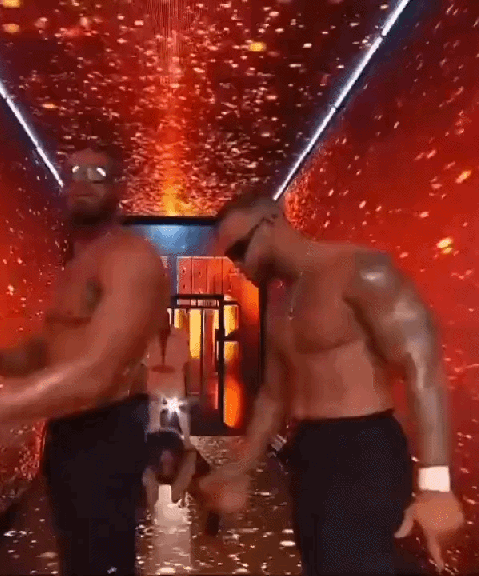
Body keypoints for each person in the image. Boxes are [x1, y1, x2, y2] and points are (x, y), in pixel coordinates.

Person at [0, 146, 170, 576]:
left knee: (101, 564)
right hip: (68, 431)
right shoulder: (76, 267)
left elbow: (99, 371)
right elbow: (50, 348)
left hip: (107, 430)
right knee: (78, 559)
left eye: (97, 173)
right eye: (74, 172)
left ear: (118, 188)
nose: (83, 181)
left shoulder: (129, 258)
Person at [199, 193, 465, 575]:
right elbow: (273, 397)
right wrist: (239, 467)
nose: (238, 265)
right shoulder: (280, 306)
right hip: (309, 452)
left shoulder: (360, 269)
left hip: (363, 449)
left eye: (240, 250)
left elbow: (422, 363)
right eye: (230, 258)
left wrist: (436, 483)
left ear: (272, 220)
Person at [139, 322, 220, 535]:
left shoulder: (180, 337)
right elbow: (144, 362)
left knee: (180, 417)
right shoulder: (148, 336)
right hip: (155, 390)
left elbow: (184, 363)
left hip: (173, 388)